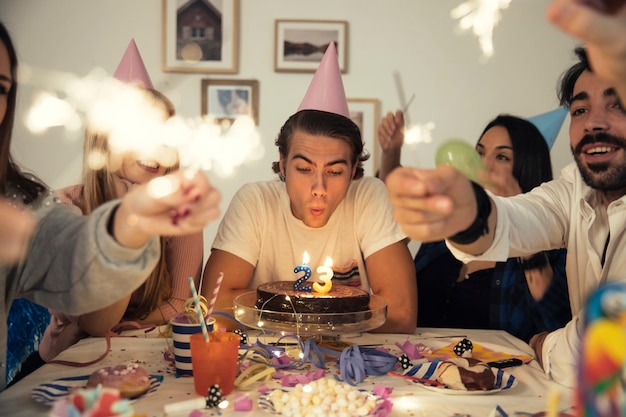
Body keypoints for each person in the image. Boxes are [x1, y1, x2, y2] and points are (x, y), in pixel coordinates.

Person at [385, 13, 626, 386]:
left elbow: (598, 349)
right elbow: (516, 220)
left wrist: (545, 345)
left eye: (618, 103)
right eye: (580, 109)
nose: (593, 122)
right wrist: (468, 214)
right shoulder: (576, 190)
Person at [0, 20, 221, 391]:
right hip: (64, 364)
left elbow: (177, 303)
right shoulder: (65, 205)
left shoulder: (31, 205)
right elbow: (82, 322)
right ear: (104, 140)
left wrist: (134, 222)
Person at [201, 43, 417, 334]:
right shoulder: (255, 202)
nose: (319, 188)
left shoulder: (369, 196)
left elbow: (401, 315)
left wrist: (289, 306)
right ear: (283, 163)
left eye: (335, 171)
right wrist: (323, 304)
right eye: (304, 169)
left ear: (353, 170)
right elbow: (215, 307)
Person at [378, 111, 571, 342]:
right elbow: (388, 220)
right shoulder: (447, 227)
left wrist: (524, 229)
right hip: (422, 368)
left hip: (501, 374)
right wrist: (391, 153)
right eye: (479, 153)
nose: (483, 164)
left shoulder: (558, 243)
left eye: (502, 157)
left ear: (527, 167)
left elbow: (558, 328)